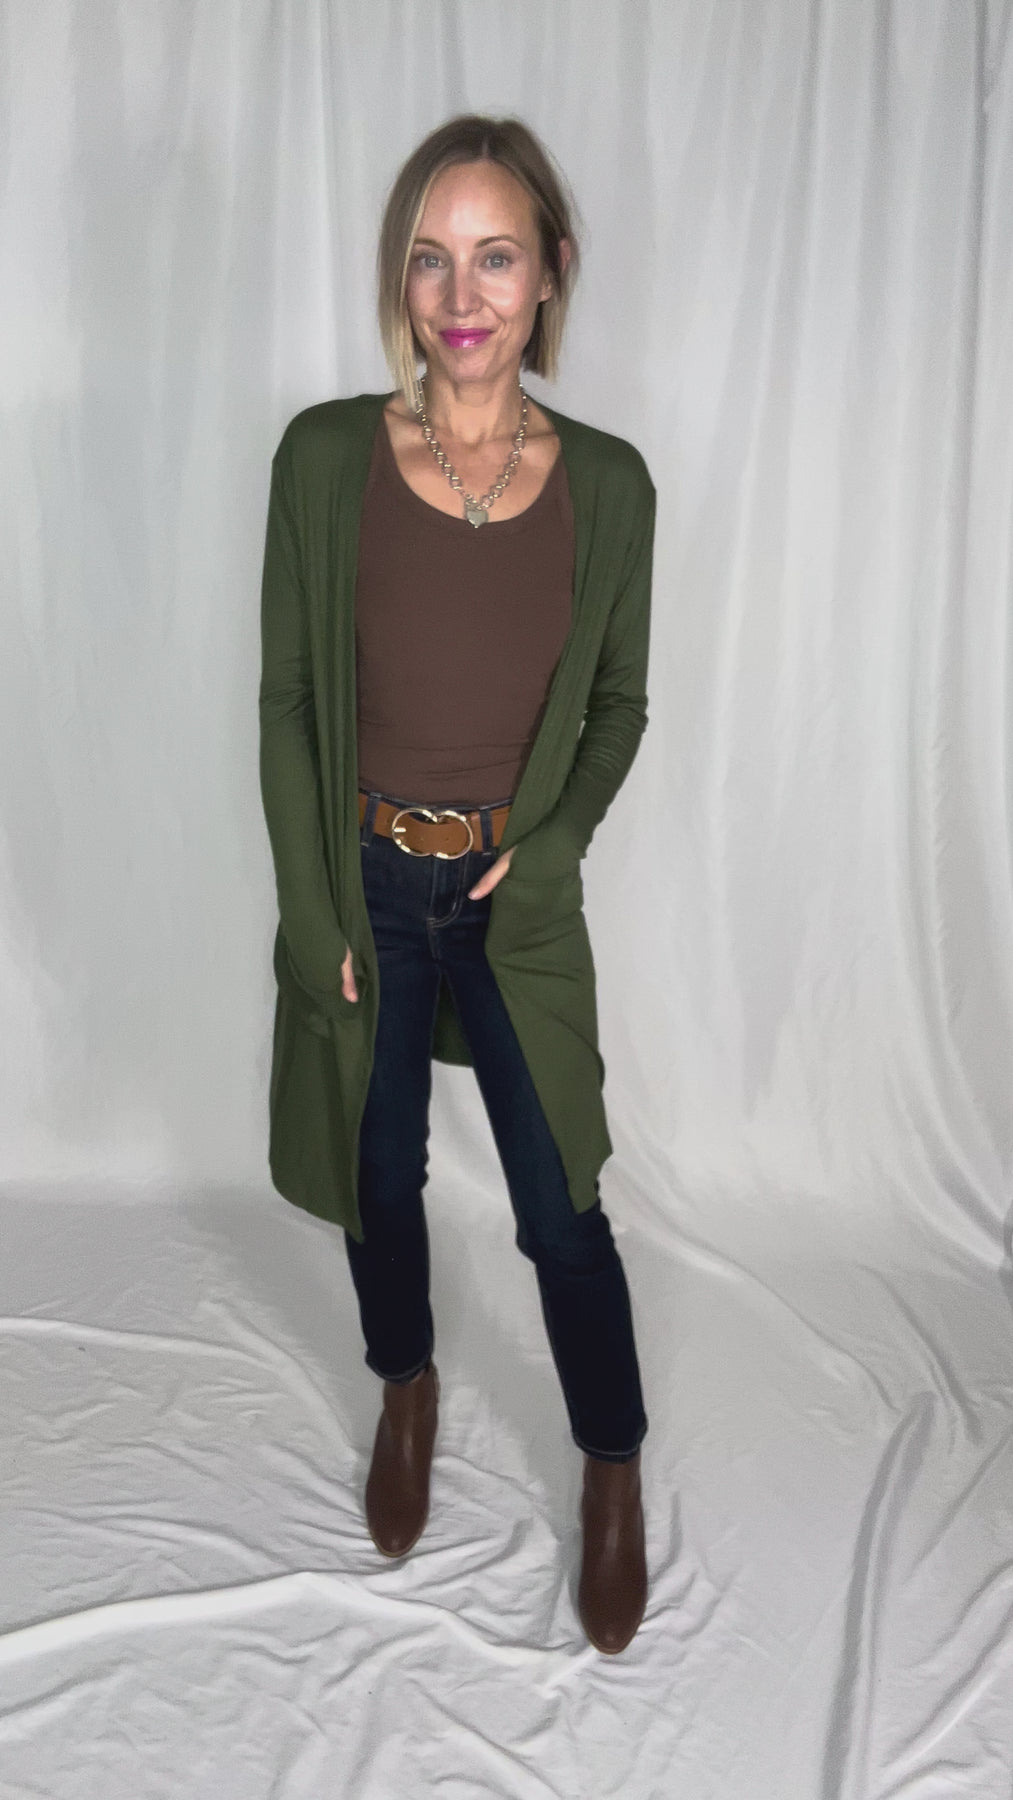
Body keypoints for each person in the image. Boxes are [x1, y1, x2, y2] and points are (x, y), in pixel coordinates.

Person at [258, 114, 656, 1655]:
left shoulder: (607, 486)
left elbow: (615, 706)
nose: (460, 294)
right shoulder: (325, 457)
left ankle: (609, 1464)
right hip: (366, 876)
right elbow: (290, 703)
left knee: (560, 1208)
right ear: (400, 279)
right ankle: (406, 1385)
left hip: (510, 898)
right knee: (379, 1175)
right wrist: (313, 911)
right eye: (430, 259)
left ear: (551, 271)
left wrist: (546, 851)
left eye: (495, 256)